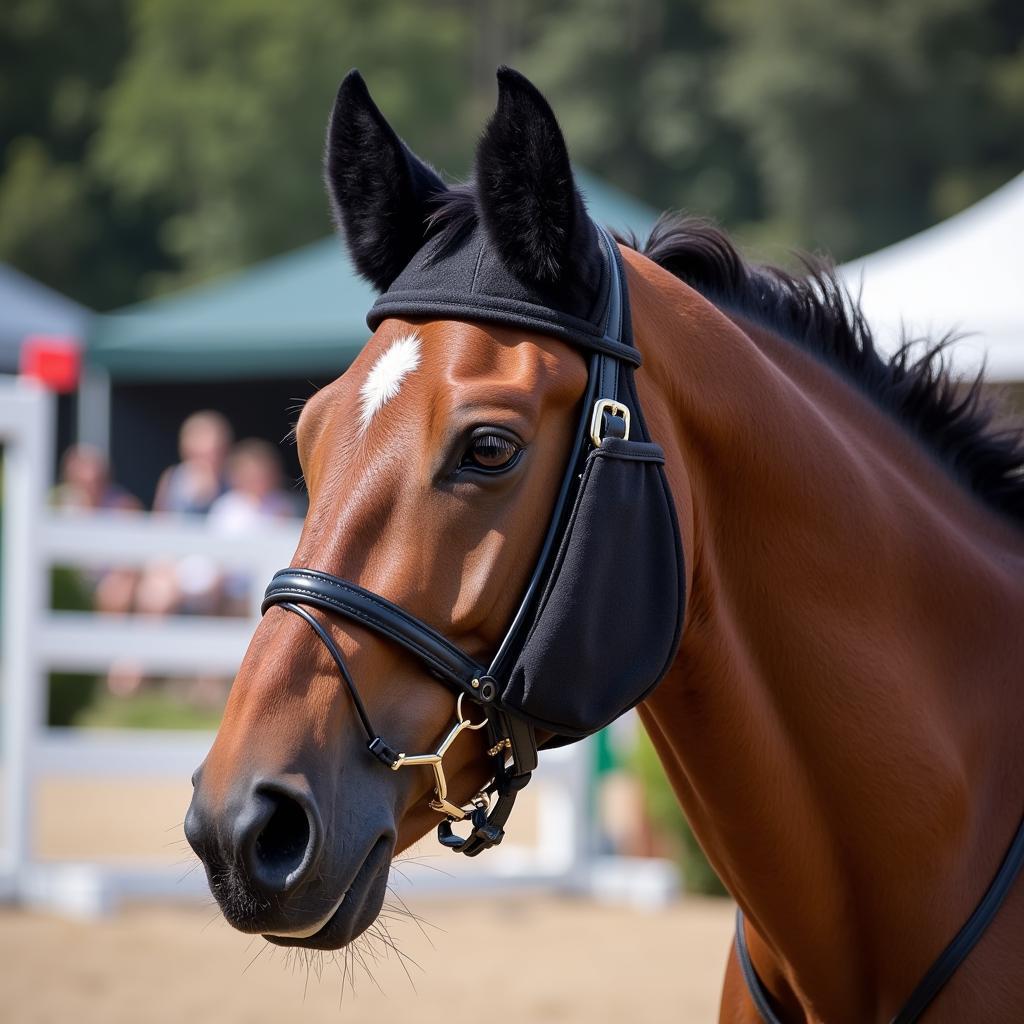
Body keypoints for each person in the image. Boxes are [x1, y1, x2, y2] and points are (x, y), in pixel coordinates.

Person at [153, 410, 232, 515]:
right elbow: (158, 519)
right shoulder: (172, 477)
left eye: (209, 454)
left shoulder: (232, 480)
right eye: (197, 454)